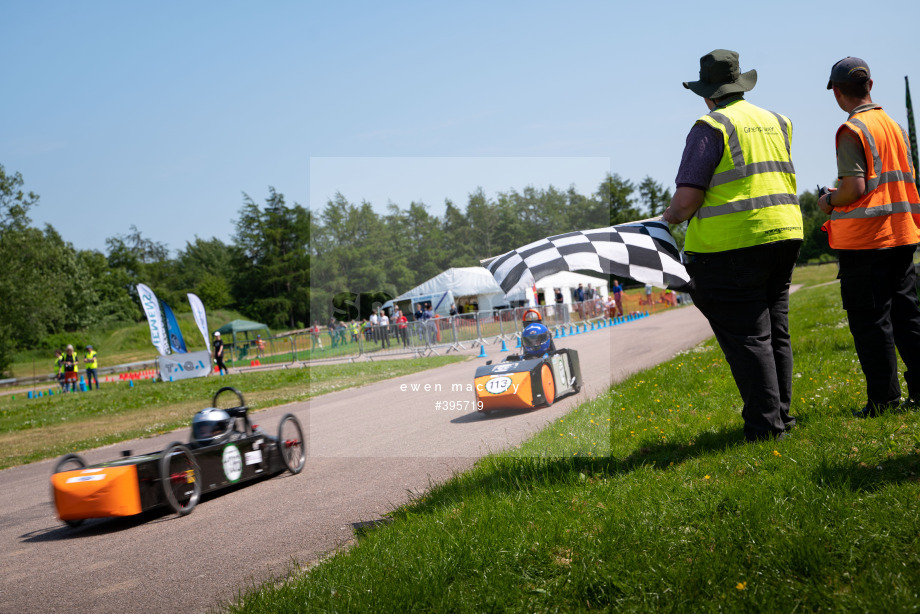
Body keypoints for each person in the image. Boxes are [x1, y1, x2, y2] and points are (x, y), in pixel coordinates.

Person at [661, 49, 803, 442]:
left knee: (749, 339)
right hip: (785, 232)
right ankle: (782, 419)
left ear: (708, 93)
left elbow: (687, 200)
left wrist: (667, 218)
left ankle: (765, 428)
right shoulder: (778, 120)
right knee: (775, 332)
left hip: (733, 244)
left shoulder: (711, 126)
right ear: (740, 85)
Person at [817, 57, 920, 418]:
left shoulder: (853, 130)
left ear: (837, 91)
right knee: (907, 316)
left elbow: (855, 188)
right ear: (870, 85)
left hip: (866, 242)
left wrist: (829, 201)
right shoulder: (895, 127)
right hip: (903, 232)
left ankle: (884, 400)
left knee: (871, 321)